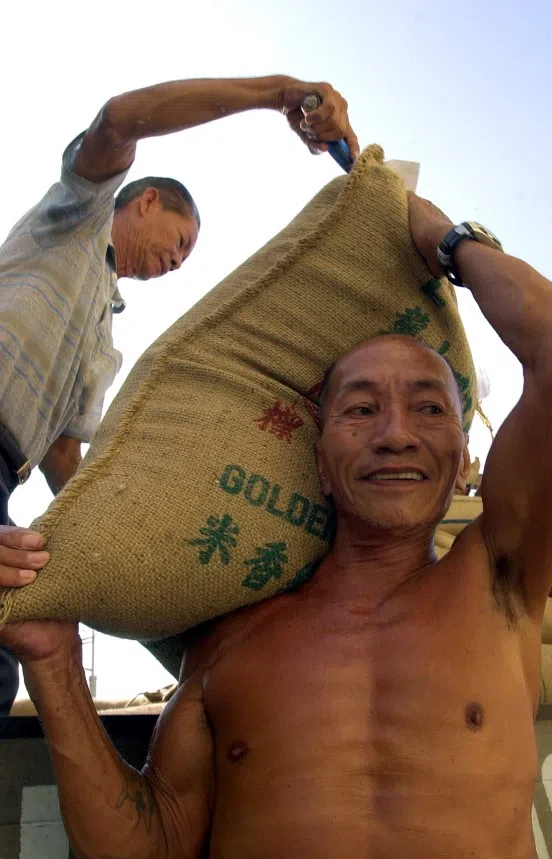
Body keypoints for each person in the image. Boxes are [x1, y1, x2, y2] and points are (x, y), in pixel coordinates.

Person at [0, 193, 552, 859]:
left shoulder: (498, 584)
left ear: (462, 465)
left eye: (429, 410)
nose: (394, 435)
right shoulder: (229, 643)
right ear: (317, 464)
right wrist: (52, 664)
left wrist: (438, 237)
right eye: (359, 411)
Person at [0, 74, 358, 714]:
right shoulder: (76, 218)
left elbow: (62, 458)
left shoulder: (104, 335)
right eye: (181, 241)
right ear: (146, 202)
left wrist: (115, 538)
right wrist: (277, 93)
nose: (178, 262)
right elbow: (119, 118)